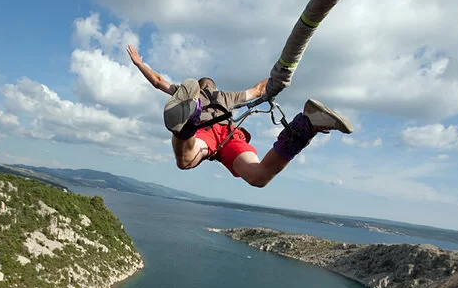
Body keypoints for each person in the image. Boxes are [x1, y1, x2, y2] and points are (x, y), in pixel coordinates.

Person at [127, 44, 353, 188]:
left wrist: (139, 63)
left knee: (186, 161)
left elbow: (158, 82)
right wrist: (280, 73)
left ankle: (186, 126)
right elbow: (258, 90)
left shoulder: (189, 93)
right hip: (228, 136)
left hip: (205, 134)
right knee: (258, 177)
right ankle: (306, 126)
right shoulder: (227, 96)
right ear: (213, 86)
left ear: (198, 86)